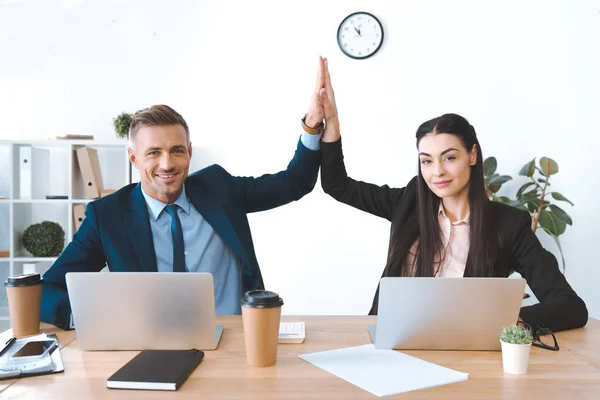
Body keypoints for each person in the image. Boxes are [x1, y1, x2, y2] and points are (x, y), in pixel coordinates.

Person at [41, 58, 331, 330]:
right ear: (133, 158)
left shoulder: (220, 189)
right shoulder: (108, 216)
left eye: (177, 151)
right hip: (152, 344)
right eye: (153, 153)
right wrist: (100, 318)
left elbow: (295, 182)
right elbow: (48, 290)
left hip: (234, 340)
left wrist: (312, 124)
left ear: (189, 152)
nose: (167, 164)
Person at [317, 58, 587, 333]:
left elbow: (571, 307)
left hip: (467, 350)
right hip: (392, 340)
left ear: (472, 155)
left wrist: (507, 318)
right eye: (427, 161)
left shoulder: (510, 225)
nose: (438, 172)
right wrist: (333, 122)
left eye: (449, 158)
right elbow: (337, 185)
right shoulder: (410, 202)